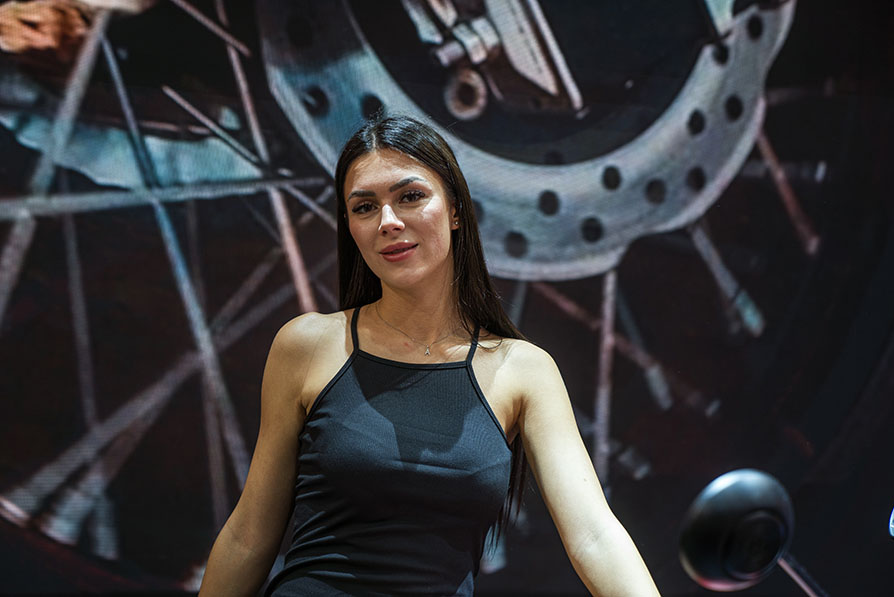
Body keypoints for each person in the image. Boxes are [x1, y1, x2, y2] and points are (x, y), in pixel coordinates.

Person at [198, 115, 660, 596]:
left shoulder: (522, 369)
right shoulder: (308, 345)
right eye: (364, 207)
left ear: (455, 210)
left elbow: (594, 536)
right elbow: (249, 537)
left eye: (410, 196)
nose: (388, 222)